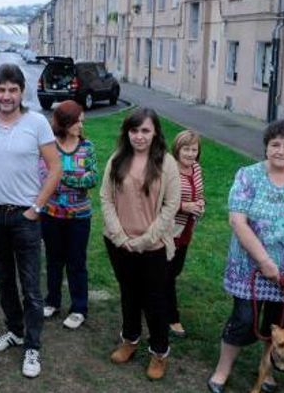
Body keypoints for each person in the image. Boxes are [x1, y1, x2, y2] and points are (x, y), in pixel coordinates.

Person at [207, 119, 284, 393]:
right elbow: (237, 221)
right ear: (266, 147)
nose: (281, 151)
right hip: (250, 267)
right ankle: (222, 370)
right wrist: (264, 261)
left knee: (281, 327)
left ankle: (268, 372)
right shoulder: (247, 176)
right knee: (244, 321)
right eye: (275, 144)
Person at [0, 63, 61, 379]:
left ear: (22, 92)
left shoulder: (36, 123)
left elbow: (55, 167)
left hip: (25, 218)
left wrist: (36, 208)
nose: (6, 96)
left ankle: (32, 346)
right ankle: (14, 331)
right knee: (4, 280)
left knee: (31, 287)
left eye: (13, 90)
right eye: (1, 89)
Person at [100, 107, 180, 381]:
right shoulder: (117, 159)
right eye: (134, 130)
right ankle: (130, 339)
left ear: (155, 131)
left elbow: (171, 206)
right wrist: (121, 237)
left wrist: (145, 240)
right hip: (119, 244)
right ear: (127, 132)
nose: (139, 136)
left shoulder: (167, 163)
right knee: (129, 293)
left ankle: (159, 352)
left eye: (145, 130)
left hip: (153, 247)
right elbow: (106, 199)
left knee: (155, 301)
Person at [39, 100, 98, 331]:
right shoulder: (49, 146)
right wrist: (65, 179)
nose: (81, 125)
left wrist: (62, 177)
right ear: (65, 123)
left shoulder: (87, 147)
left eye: (82, 121)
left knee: (76, 262)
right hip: (51, 214)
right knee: (54, 260)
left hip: (79, 217)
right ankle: (52, 301)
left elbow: (92, 178)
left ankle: (78, 308)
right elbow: (42, 178)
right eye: (77, 121)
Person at [167, 130, 205, 338]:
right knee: (167, 275)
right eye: (186, 149)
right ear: (177, 149)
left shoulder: (196, 169)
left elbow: (200, 194)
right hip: (168, 231)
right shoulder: (169, 170)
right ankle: (172, 318)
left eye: (194, 149)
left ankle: (152, 301)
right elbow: (158, 203)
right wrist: (185, 207)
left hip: (186, 231)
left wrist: (201, 205)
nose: (190, 154)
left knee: (174, 271)